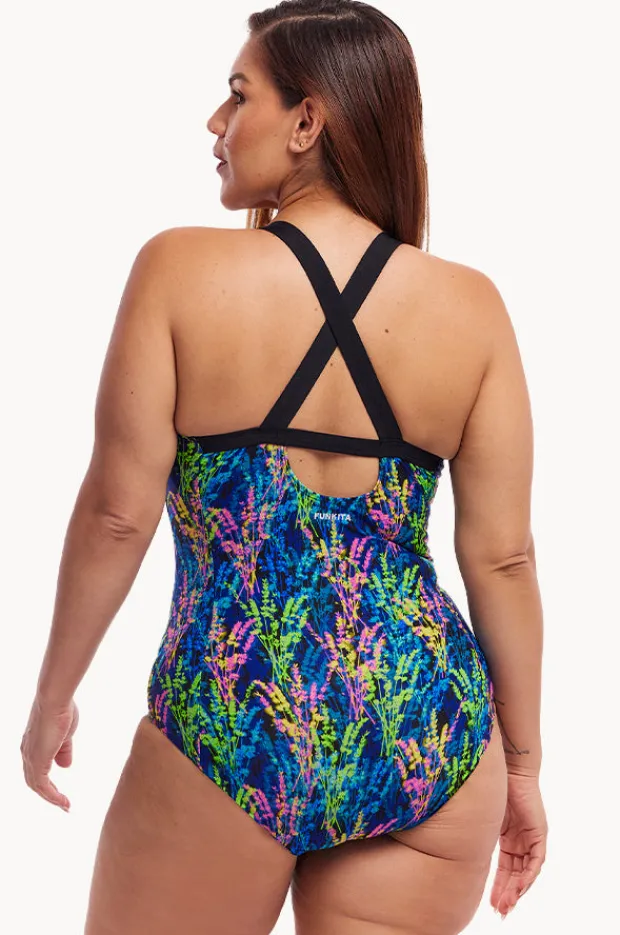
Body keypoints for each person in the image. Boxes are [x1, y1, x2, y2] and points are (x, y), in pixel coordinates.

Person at [20, 1, 548, 933]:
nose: (216, 122)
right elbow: (503, 560)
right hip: (425, 729)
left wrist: (51, 698)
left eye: (238, 95)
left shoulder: (178, 270)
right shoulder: (472, 308)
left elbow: (116, 514)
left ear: (308, 121)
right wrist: (522, 768)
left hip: (233, 719)